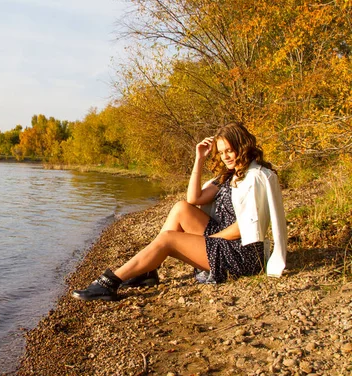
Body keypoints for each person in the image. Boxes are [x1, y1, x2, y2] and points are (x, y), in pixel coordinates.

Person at [72, 122, 287, 302]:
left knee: (168, 240)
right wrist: (199, 159)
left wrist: (208, 240)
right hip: (226, 241)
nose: (225, 157)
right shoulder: (230, 176)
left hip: (243, 255)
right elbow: (194, 199)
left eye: (229, 150)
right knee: (180, 208)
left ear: (243, 146)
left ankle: (110, 282)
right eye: (221, 153)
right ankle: (148, 271)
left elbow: (245, 227)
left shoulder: (255, 176)